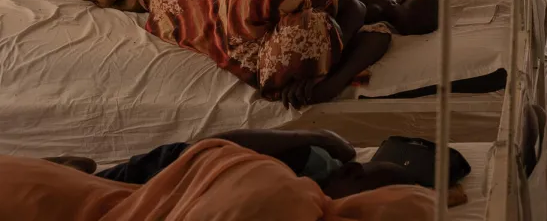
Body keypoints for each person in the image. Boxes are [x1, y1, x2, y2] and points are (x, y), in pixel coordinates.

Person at [71, 0, 439, 107]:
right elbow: (347, 4)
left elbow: (352, 5)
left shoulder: (376, 15)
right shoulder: (378, 16)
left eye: (404, 0)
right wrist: (330, 82)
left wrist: (330, 82)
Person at [6, 138, 436, 221]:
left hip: (176, 178)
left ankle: (66, 168)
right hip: (180, 169)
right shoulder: (307, 177)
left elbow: (218, 148)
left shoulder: (294, 185)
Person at [44, 128, 473, 207]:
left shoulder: (323, 195)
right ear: (352, 173)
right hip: (182, 163)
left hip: (194, 182)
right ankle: (68, 170)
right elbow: (222, 142)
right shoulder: (316, 161)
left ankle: (70, 174)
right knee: (104, 188)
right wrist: (313, 137)